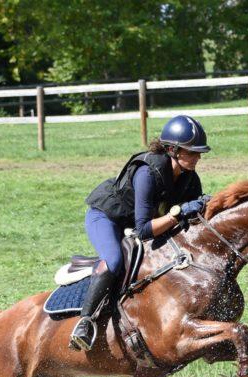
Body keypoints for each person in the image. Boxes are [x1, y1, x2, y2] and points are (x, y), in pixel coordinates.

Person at [69, 115, 211, 351]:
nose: (198, 157)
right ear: (172, 150)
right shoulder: (147, 172)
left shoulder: (189, 177)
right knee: (114, 261)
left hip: (137, 223)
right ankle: (85, 322)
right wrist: (178, 213)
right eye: (192, 151)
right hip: (106, 218)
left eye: (199, 152)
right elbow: (145, 230)